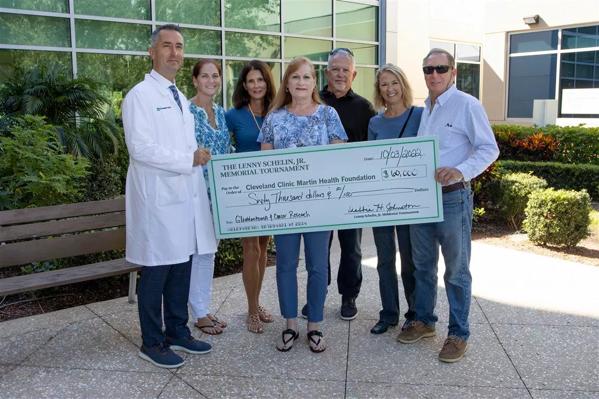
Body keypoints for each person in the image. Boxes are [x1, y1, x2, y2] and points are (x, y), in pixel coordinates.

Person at [122, 24, 216, 369]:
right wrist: (186, 159)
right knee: (158, 270)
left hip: (183, 199)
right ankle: (152, 341)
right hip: (158, 201)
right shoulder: (140, 96)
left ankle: (178, 330)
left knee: (181, 267)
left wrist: (193, 158)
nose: (174, 53)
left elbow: (182, 144)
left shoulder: (177, 97)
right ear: (152, 52)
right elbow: (141, 148)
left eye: (179, 46)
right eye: (167, 46)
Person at [396, 48, 499, 363]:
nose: (434, 75)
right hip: (422, 199)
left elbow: (488, 148)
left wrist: (460, 170)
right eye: (428, 70)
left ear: (453, 72)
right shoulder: (426, 108)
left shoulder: (467, 105)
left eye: (441, 68)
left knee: (456, 270)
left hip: (453, 197)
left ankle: (458, 334)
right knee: (423, 266)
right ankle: (425, 321)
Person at [258, 57, 348, 353]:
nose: (301, 82)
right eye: (295, 77)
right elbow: (265, 163)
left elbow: (338, 159)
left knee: (317, 265)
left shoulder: (328, 115)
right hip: (285, 206)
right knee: (285, 265)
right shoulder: (274, 118)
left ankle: (315, 326)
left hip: (319, 204)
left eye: (307, 77)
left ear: (314, 82)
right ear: (287, 82)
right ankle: (290, 325)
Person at [312, 47, 376, 321]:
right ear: (327, 72)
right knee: (318, 246)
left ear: (354, 74)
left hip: (352, 190)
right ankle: (318, 293)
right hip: (319, 190)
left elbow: (373, 149)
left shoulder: (364, 108)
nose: (340, 74)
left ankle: (349, 296)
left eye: (345, 70)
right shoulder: (313, 102)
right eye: (335, 69)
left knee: (352, 247)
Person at [367, 64, 423, 335]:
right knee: (385, 260)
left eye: (394, 83)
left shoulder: (421, 116)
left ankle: (414, 315)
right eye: (384, 84)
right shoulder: (375, 123)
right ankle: (389, 314)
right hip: (382, 201)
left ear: (403, 85)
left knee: (410, 260)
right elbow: (370, 161)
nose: (389, 89)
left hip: (410, 201)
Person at [225, 60, 276, 334]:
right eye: (251, 81)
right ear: (244, 85)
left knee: (264, 248)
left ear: (267, 83)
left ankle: (257, 302)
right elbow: (219, 144)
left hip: (271, 189)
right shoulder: (233, 115)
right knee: (251, 248)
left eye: (260, 80)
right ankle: (252, 310)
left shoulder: (278, 112)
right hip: (246, 191)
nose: (256, 85)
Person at [188, 58, 232, 335]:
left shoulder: (221, 112)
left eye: (215, 76)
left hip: (218, 194)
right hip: (194, 194)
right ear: (194, 80)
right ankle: (198, 312)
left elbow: (227, 150)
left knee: (208, 252)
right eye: (205, 76)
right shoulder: (186, 112)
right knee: (196, 252)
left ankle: (202, 308)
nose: (211, 81)